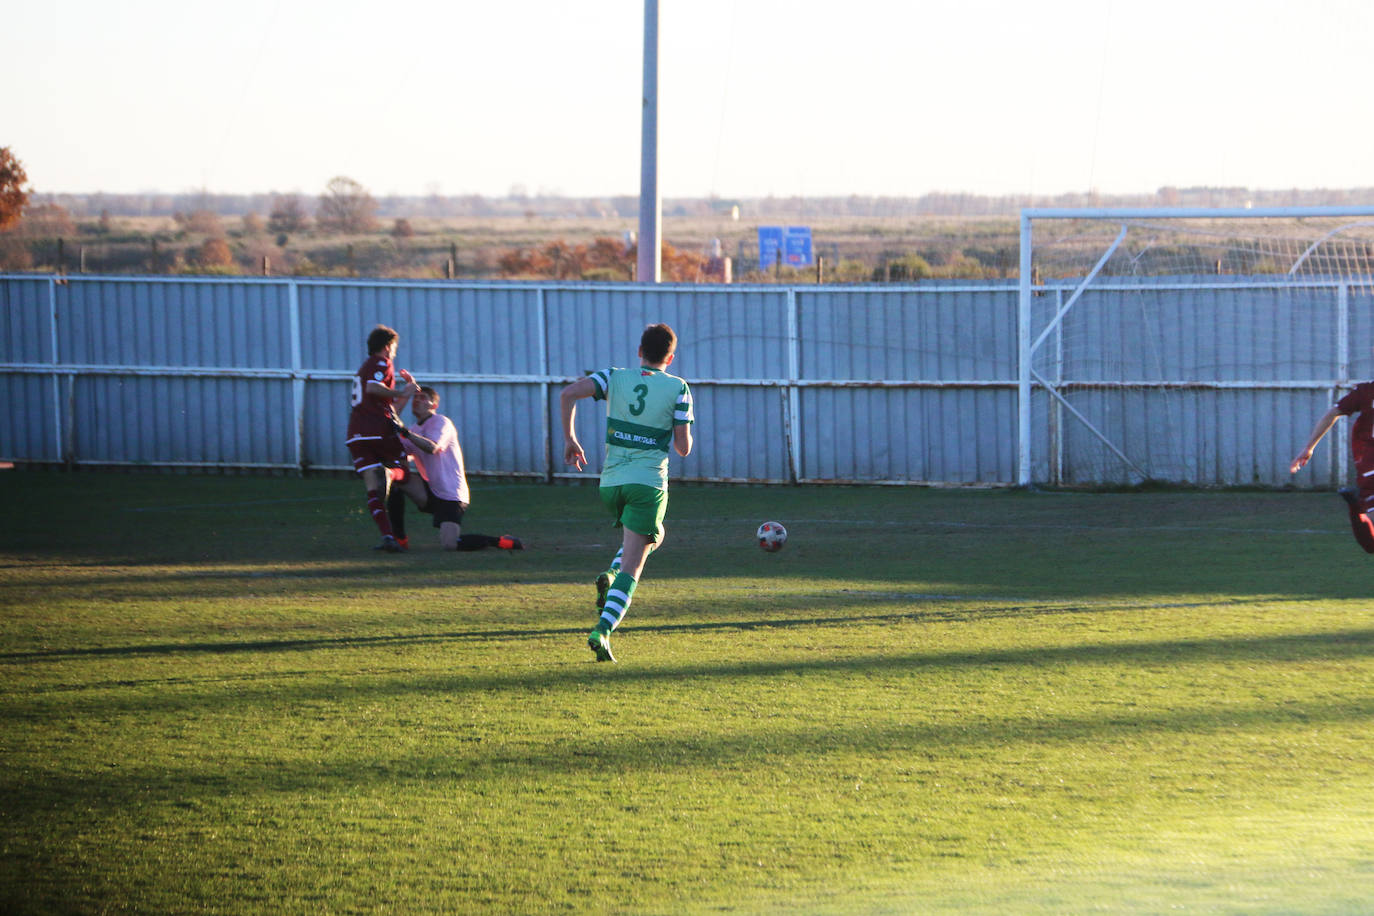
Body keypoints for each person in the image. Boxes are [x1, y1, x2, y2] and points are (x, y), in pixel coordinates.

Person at [560, 323, 694, 662]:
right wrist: (680, 431)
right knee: (635, 566)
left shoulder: (613, 377)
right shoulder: (678, 387)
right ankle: (602, 631)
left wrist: (570, 439)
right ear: (671, 357)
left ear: (639, 352)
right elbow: (683, 448)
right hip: (647, 485)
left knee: (652, 538)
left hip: (611, 483)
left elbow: (567, 394)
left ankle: (610, 573)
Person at [387, 385, 523, 552]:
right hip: (430, 490)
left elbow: (433, 447)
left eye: (423, 398)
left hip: (451, 494)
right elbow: (397, 452)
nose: (417, 400)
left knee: (450, 544)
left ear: (434, 405)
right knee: (396, 481)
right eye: (415, 397)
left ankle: (502, 542)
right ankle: (399, 539)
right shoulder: (414, 429)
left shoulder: (441, 422)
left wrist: (404, 433)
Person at [345, 324, 419, 552]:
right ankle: (390, 473)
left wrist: (406, 392)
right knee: (403, 471)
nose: (394, 352)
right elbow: (374, 388)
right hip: (377, 429)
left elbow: (390, 408)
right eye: (394, 347)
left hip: (356, 434)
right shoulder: (381, 363)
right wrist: (399, 391)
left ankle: (388, 537)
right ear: (387, 347)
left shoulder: (363, 367)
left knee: (372, 487)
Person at [1290, 365, 1374, 553]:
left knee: (1370, 546)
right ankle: (1354, 506)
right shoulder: (1365, 392)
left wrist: (1308, 447)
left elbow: (1332, 413)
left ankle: (1354, 506)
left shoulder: (1365, 391)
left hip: (1369, 467)